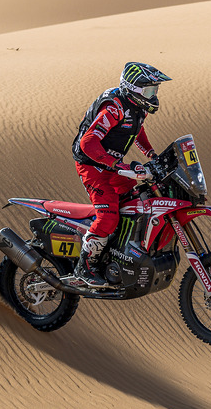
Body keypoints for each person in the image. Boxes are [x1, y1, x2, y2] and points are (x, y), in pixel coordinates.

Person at [71, 62, 171, 287]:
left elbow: (137, 130)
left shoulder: (137, 107)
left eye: (154, 90)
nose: (153, 95)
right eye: (149, 90)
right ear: (133, 88)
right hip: (93, 165)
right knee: (108, 216)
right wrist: (116, 165)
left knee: (134, 203)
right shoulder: (114, 108)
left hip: (112, 164)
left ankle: (115, 254)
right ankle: (83, 267)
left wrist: (151, 153)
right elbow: (88, 143)